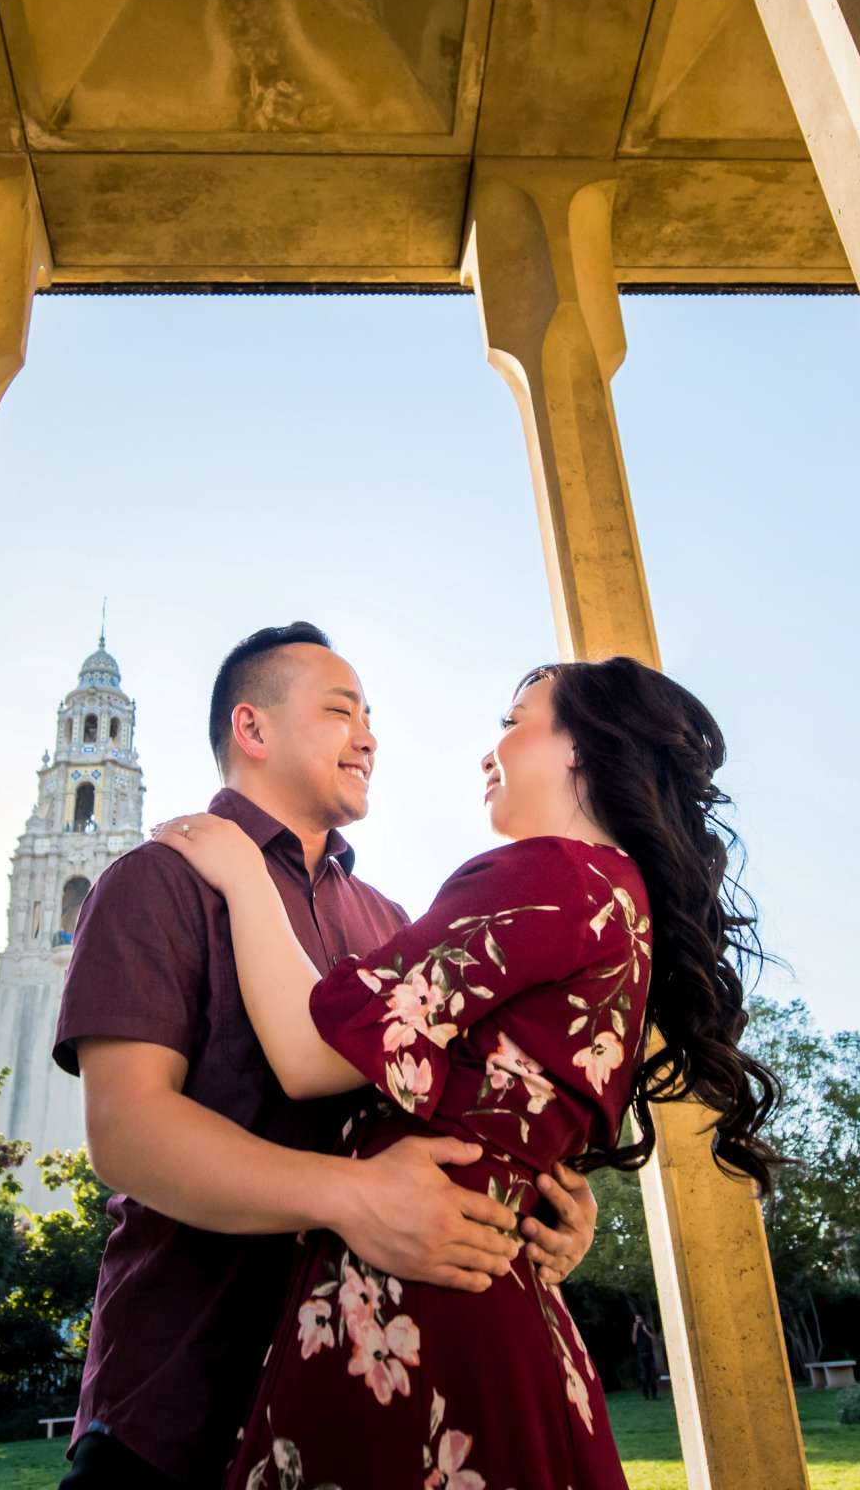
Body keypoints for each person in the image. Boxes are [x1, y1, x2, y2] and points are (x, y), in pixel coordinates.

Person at [151, 653, 783, 1490]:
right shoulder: (620, 904)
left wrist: (238, 874)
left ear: (579, 749)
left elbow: (311, 1061)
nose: (490, 751)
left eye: (513, 725)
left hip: (417, 1304)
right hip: (503, 1295)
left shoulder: (544, 873)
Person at [52, 624, 602, 1490]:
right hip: (178, 1412)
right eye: (341, 711)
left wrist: (541, 1209)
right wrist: (352, 1197)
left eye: (371, 715)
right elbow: (127, 1132)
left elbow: (469, 1102)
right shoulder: (154, 881)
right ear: (253, 730)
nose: (370, 735)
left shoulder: (394, 922)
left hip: (362, 1415)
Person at [630, 1310, 663, 1402]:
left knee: (653, 1375)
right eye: (636, 1319)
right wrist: (635, 1329)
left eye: (639, 1319)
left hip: (650, 1354)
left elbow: (654, 1339)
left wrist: (646, 1331)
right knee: (644, 1376)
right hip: (641, 1355)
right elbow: (634, 1341)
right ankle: (646, 1396)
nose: (638, 1321)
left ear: (642, 1319)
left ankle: (654, 1395)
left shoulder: (647, 1327)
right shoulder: (635, 1329)